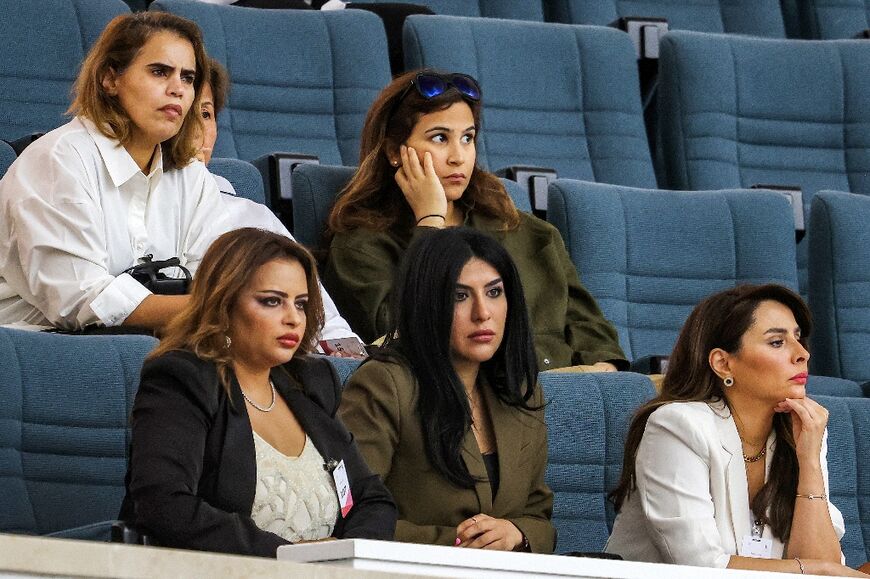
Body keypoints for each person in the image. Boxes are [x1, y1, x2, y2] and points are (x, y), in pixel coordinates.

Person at [0, 13, 355, 341]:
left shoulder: (189, 175)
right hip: (40, 350)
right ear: (110, 78)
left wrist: (237, 305)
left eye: (187, 77)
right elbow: (81, 301)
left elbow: (211, 278)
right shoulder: (60, 160)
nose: (178, 89)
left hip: (155, 347)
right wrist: (233, 308)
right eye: (159, 72)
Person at [324, 69, 626, 372]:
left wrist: (602, 373)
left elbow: (591, 330)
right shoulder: (360, 245)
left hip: (567, 393)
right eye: (440, 138)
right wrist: (430, 221)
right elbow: (400, 339)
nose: (459, 156)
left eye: (468, 138)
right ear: (394, 151)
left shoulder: (529, 232)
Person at [120, 227, 396, 556]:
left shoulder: (311, 382)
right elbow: (165, 506)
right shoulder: (183, 379)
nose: (293, 318)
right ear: (224, 303)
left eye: (302, 304)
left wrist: (342, 556)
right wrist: (290, 559)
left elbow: (372, 500)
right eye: (272, 302)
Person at [605, 284, 866, 576]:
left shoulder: (804, 430)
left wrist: (809, 463)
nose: (802, 353)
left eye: (798, 338)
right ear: (723, 363)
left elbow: (826, 567)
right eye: (777, 342)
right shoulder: (676, 427)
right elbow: (699, 567)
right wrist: (808, 570)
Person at [339, 227, 555, 553]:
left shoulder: (520, 390)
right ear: (428, 304)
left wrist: (515, 533)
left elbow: (540, 518)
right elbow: (351, 516)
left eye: (494, 293)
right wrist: (459, 544)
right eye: (460, 296)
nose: (483, 313)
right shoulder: (383, 385)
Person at [193, 57, 363, 348]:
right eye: (183, 112)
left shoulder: (253, 217)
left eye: (206, 114)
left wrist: (348, 367)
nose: (197, 129)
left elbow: (329, 327)